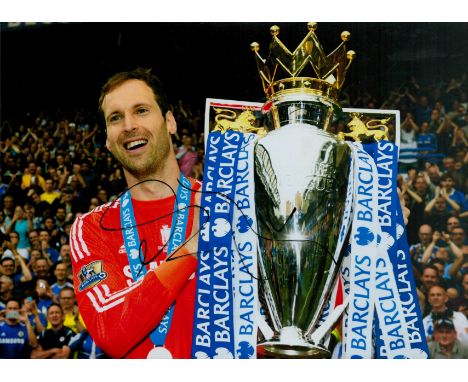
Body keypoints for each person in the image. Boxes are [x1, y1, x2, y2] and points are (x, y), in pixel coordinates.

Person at [70, 68, 201, 359]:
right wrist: (190, 250)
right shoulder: (91, 227)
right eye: (115, 118)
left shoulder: (226, 205)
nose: (129, 125)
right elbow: (109, 329)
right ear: (107, 139)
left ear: (169, 121)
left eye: (141, 110)